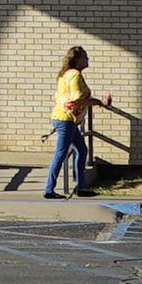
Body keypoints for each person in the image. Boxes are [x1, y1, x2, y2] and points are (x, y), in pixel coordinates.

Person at [45, 46, 110, 199]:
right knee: (61, 154)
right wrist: (99, 102)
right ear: (78, 59)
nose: (88, 60)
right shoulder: (74, 75)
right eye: (85, 57)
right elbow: (77, 99)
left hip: (68, 120)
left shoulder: (67, 74)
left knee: (81, 150)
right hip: (65, 119)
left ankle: (81, 187)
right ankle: (49, 189)